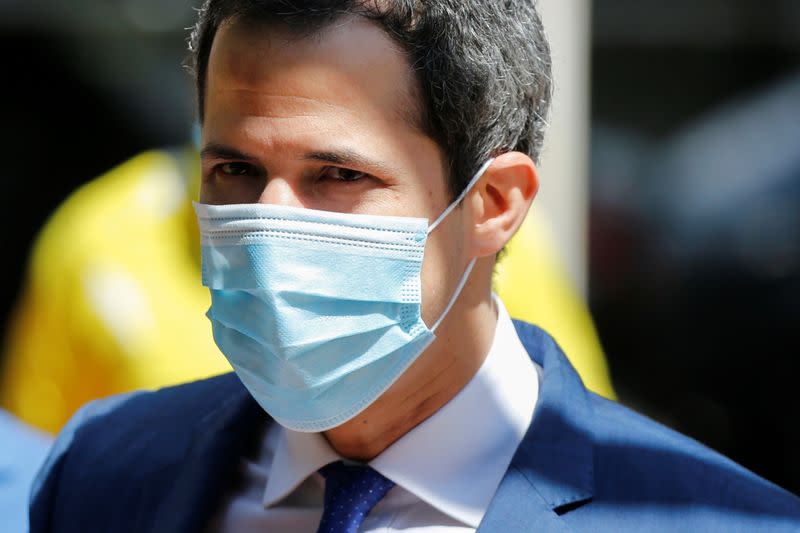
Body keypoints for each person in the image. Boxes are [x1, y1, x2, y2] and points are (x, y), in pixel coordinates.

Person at [29, 1, 800, 532]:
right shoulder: (102, 470)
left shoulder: (715, 520)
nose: (270, 225)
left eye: (339, 175)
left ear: (493, 202)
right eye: (234, 170)